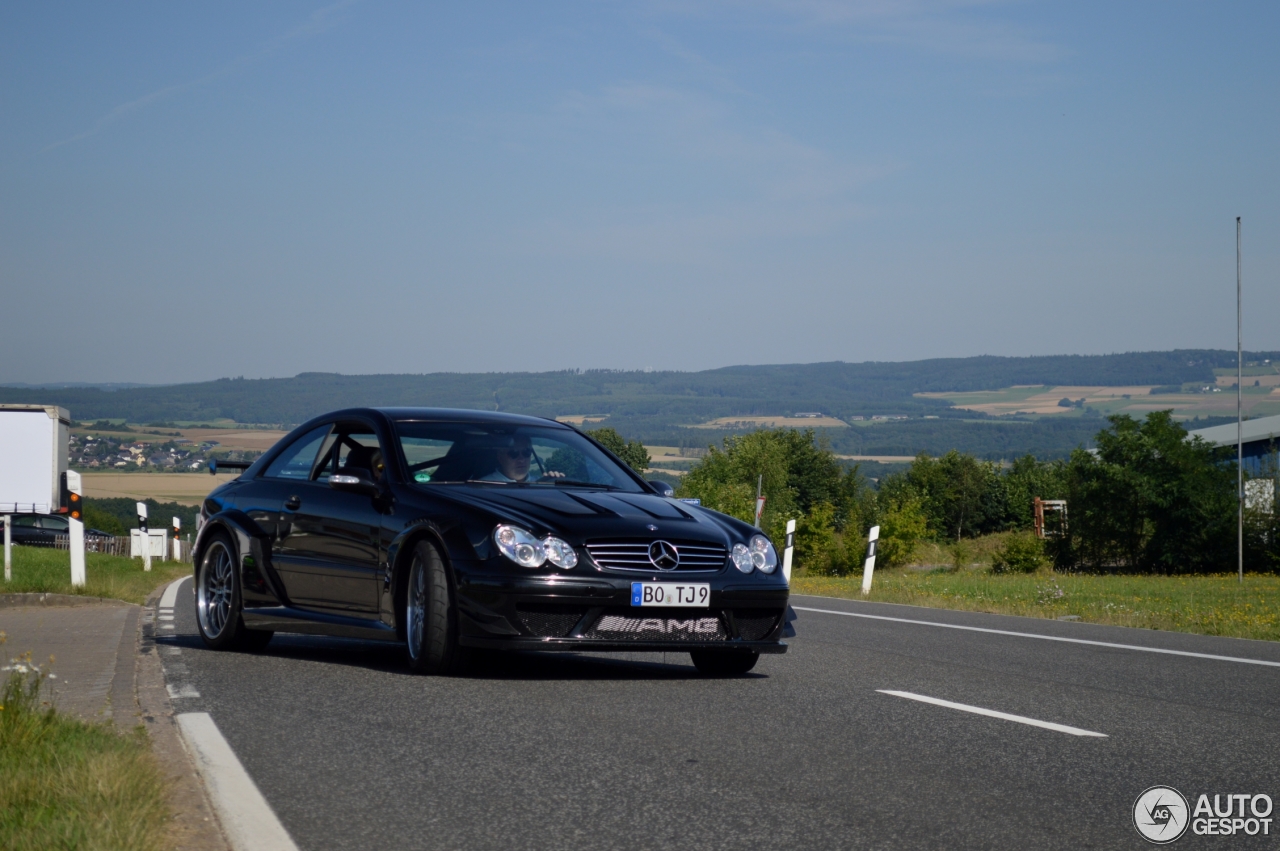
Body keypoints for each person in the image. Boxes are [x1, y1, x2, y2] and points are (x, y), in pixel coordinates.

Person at [478, 435, 562, 483]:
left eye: (526, 452)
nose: (521, 459)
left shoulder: (540, 483)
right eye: (514, 454)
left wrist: (555, 482)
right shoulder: (485, 485)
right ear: (500, 458)